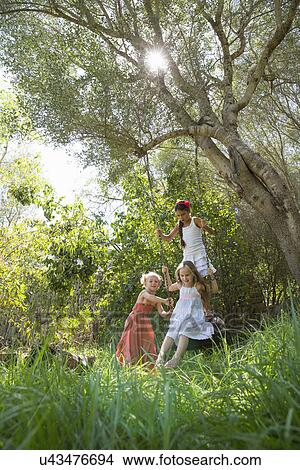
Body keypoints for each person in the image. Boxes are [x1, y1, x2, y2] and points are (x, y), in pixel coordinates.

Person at [156, 261, 214, 369]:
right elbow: (169, 287)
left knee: (185, 330)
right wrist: (166, 273)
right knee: (171, 331)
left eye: (187, 275)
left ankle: (176, 358)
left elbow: (214, 289)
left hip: (194, 317)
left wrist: (211, 276)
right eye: (181, 275)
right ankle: (160, 357)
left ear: (193, 274)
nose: (184, 278)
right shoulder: (180, 285)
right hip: (179, 315)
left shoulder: (198, 286)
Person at [116, 271, 173, 368]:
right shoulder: (144, 293)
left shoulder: (156, 300)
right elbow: (151, 297)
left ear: (158, 285)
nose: (153, 283)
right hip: (134, 320)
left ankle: (147, 366)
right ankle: (130, 365)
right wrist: (164, 301)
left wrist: (169, 312)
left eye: (156, 281)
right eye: (150, 281)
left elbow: (162, 313)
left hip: (145, 323)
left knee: (147, 343)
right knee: (132, 343)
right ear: (145, 283)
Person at [156, 200, 216, 278]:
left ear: (188, 211)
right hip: (188, 257)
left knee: (202, 279)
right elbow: (169, 237)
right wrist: (161, 234)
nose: (181, 217)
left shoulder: (195, 221)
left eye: (183, 214)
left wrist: (204, 226)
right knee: (180, 277)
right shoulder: (179, 225)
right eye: (178, 215)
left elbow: (212, 232)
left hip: (199, 255)